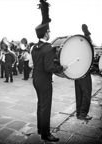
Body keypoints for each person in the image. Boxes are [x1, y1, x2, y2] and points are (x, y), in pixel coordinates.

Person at [31, 0, 67, 142]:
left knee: (41, 104)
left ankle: (41, 129)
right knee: (45, 106)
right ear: (45, 33)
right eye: (49, 31)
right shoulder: (48, 48)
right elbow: (49, 68)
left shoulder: (34, 47)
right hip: (45, 81)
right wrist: (61, 68)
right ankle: (46, 134)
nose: (50, 33)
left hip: (36, 79)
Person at [75, 24, 94, 120]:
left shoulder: (77, 47)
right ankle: (83, 114)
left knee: (79, 94)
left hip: (77, 73)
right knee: (86, 94)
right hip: (85, 73)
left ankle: (79, 113)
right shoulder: (87, 45)